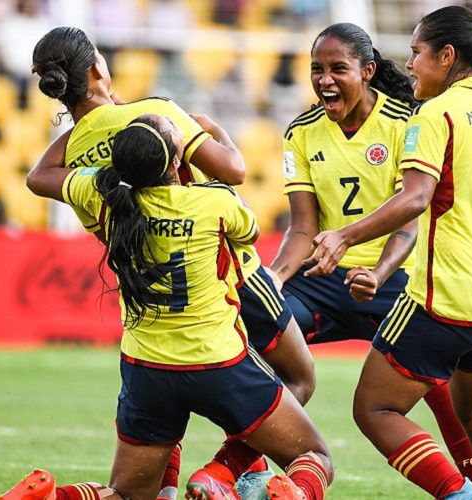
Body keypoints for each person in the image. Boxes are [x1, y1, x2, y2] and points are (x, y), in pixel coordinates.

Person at [28, 26, 316, 500]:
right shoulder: (156, 115)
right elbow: (234, 171)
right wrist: (205, 125)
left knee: (163, 401)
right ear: (99, 68)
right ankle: (222, 474)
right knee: (299, 377)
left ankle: (162, 489)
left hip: (152, 295)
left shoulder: (76, 161)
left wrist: (82, 124)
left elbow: (37, 178)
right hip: (233, 276)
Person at [305, 7, 472, 499]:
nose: (411, 64)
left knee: (374, 409)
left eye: (418, 53)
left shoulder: (435, 113)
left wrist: (345, 236)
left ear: (446, 55)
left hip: (448, 293)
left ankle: (459, 495)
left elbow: (416, 197)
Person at [265, 22, 472, 489]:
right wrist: (276, 279)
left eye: (337, 69)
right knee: (262, 333)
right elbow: (303, 226)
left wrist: (379, 273)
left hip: (397, 281)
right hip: (323, 278)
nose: (324, 79)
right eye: (316, 69)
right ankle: (228, 470)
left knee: (440, 389)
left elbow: (409, 223)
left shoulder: (408, 121)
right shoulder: (301, 132)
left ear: (366, 72)